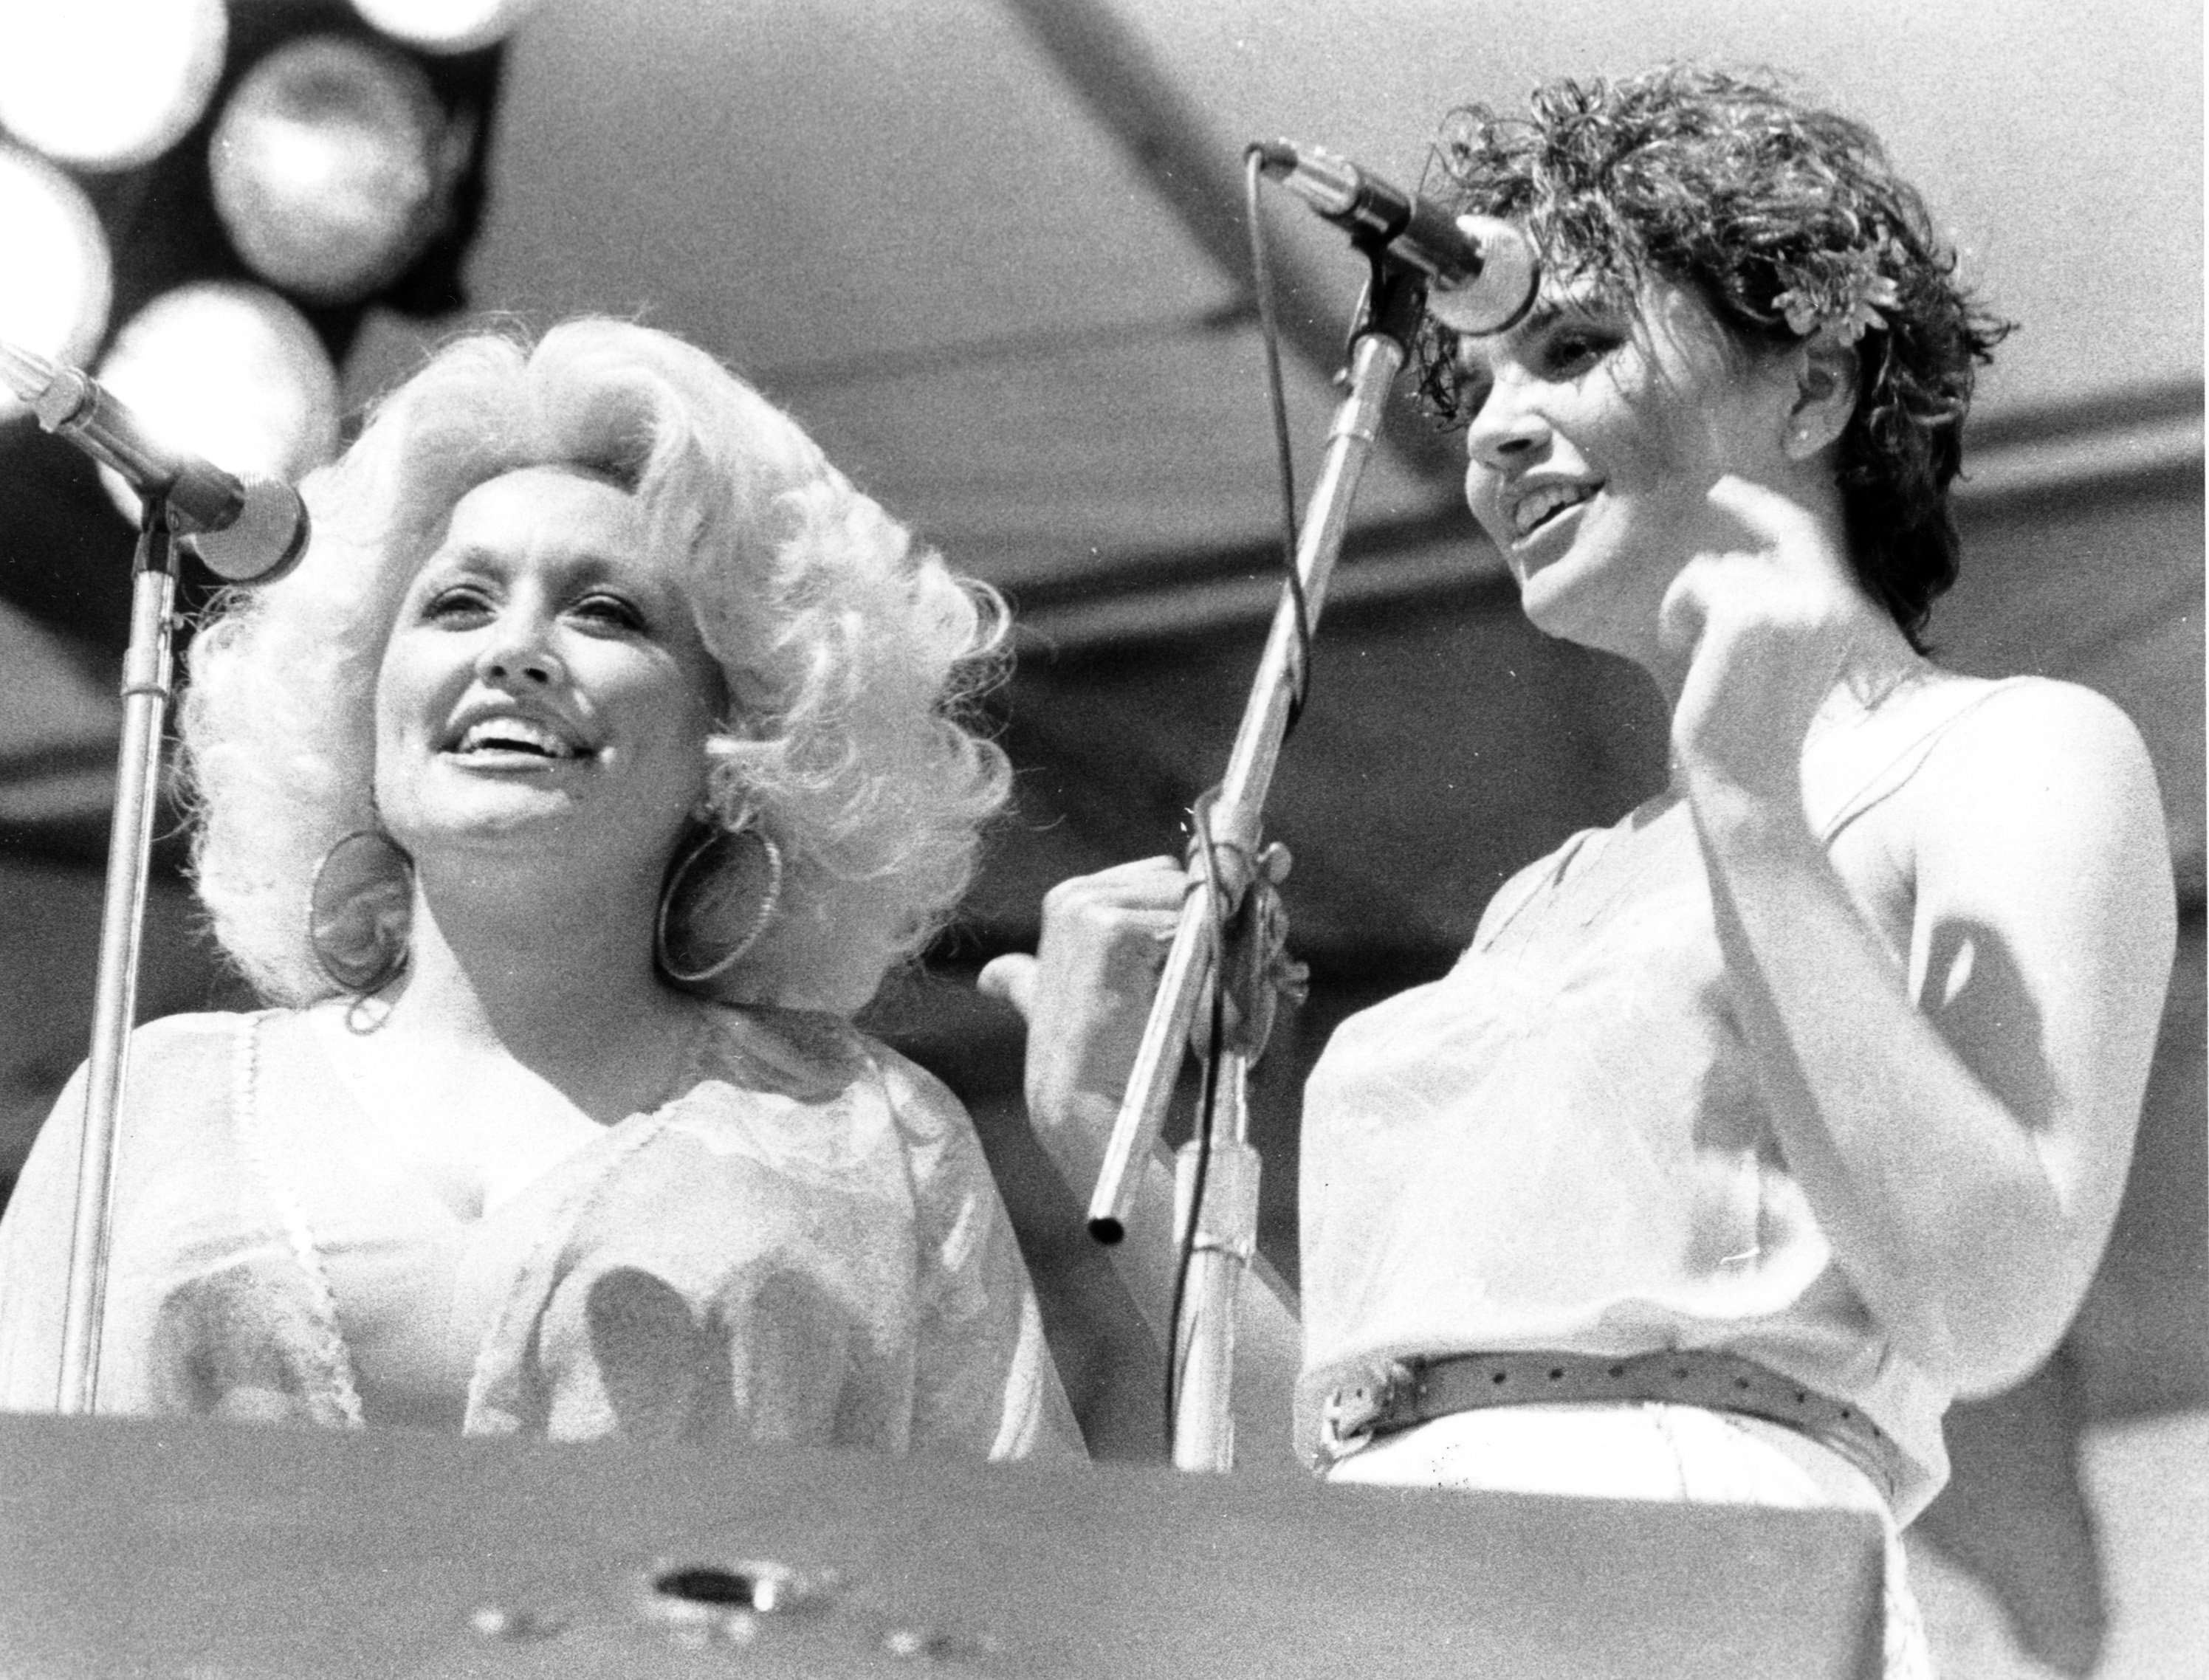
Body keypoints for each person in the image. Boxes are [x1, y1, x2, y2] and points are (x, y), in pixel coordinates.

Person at [983, 64, 2174, 1670]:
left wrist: (1747, 797)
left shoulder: (2002, 751)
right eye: (1470, 388)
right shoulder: (1539, 897)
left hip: (1691, 1584)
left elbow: (1981, 1304)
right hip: (1378, 1604)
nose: (1496, 432)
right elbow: (1348, 1468)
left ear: (1814, 390)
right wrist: (1118, 1142)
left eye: (1571, 345)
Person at [0, 319, 1079, 1462]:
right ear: (363, 695)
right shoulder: (153, 1102)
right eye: (457, 604)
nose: (514, 651)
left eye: (606, 612)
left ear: (741, 738)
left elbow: (1007, 1583)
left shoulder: (877, 1137)